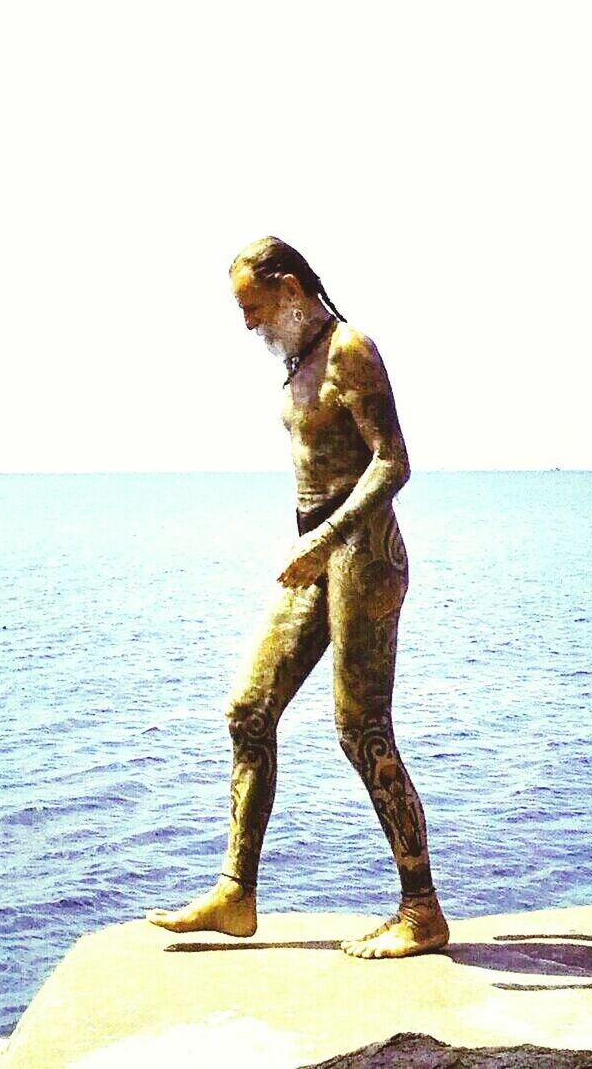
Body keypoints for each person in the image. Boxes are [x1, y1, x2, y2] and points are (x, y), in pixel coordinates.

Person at [145, 237, 448, 959]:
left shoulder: (350, 348)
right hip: (315, 559)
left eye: (251, 306)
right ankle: (235, 894)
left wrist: (329, 537)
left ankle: (422, 908)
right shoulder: (298, 361)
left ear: (287, 287)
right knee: (248, 708)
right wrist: (311, 545)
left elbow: (393, 462)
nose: (246, 323)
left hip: (365, 557)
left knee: (360, 729)